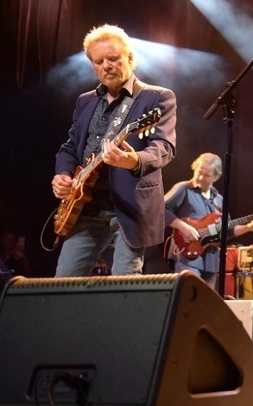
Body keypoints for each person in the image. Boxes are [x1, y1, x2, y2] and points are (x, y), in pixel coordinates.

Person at [51, 24, 177, 277]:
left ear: (130, 58)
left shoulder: (157, 98)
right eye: (99, 62)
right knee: (62, 284)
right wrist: (63, 175)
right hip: (86, 205)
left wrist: (132, 160)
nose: (106, 65)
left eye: (113, 58)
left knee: (124, 286)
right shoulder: (85, 100)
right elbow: (70, 147)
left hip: (130, 207)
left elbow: (164, 147)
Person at [164, 153, 253, 289]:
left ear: (216, 177)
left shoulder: (219, 200)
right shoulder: (184, 188)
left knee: (206, 305)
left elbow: (227, 230)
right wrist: (183, 227)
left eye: (206, 175)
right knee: (190, 296)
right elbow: (161, 209)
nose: (200, 178)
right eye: (199, 172)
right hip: (187, 256)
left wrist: (251, 226)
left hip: (211, 261)